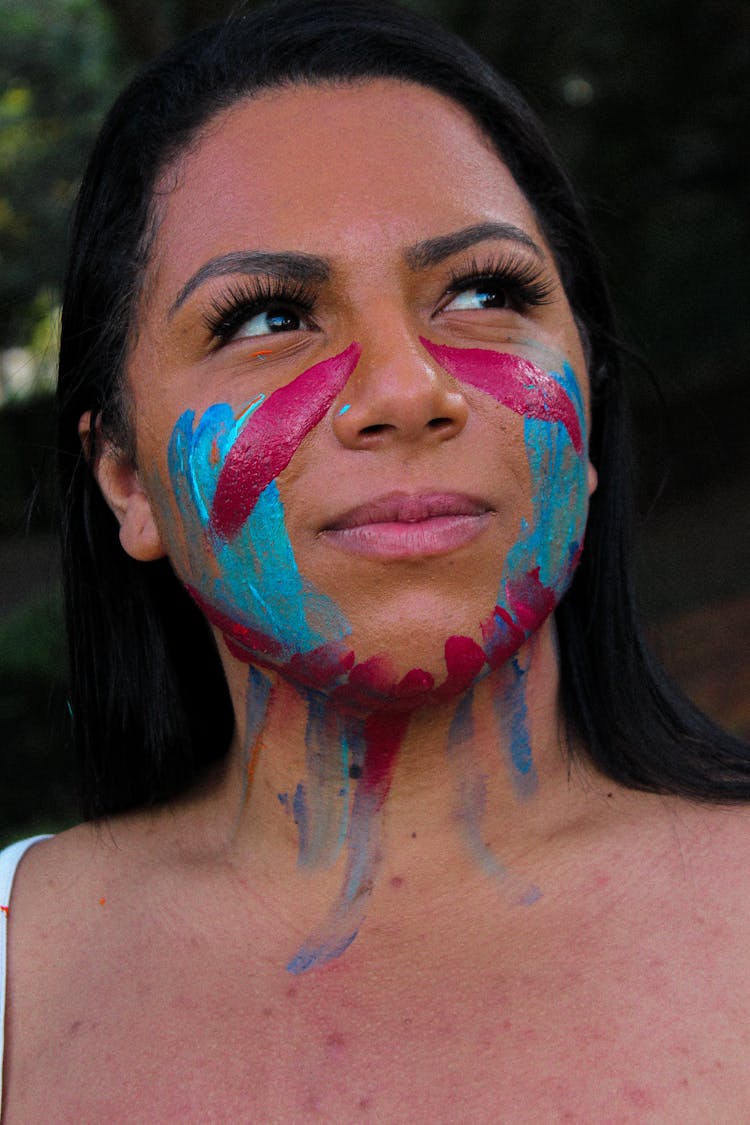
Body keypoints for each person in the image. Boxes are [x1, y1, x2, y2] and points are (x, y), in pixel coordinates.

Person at [2, 0, 749, 1118]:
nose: (408, 387)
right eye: (265, 318)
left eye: (485, 294)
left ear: (586, 418)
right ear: (124, 477)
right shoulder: (18, 967)